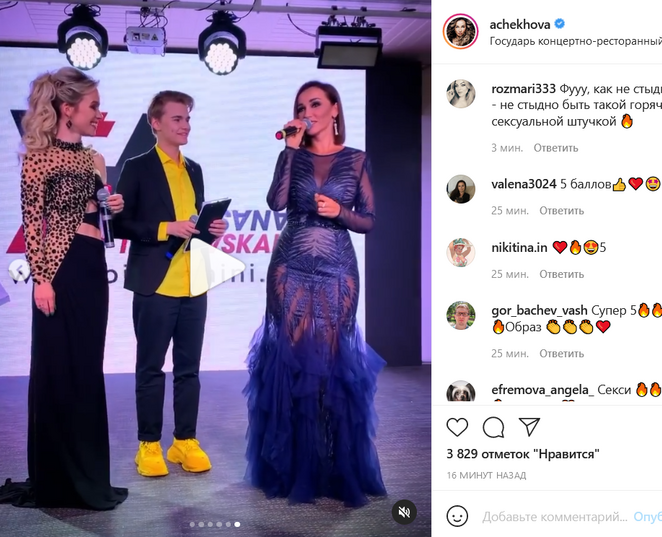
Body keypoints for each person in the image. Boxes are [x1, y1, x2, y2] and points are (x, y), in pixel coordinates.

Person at [243, 81, 387, 508]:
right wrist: (290, 150)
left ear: (335, 109)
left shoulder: (356, 159)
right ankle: (291, 467)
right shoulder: (292, 153)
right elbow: (276, 202)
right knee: (289, 362)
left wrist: (341, 212)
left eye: (316, 104)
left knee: (332, 365)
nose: (308, 112)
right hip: (290, 264)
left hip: (337, 267)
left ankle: (334, 468)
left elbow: (369, 220)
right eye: (301, 106)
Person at [0, 67, 128, 510]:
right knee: (58, 369)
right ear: (68, 109)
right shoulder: (38, 157)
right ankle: (57, 480)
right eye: (93, 106)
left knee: (87, 369)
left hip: (92, 265)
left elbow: (101, 218)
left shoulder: (95, 159)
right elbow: (32, 224)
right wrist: (41, 279)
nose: (99, 113)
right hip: (60, 268)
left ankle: (88, 475)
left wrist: (112, 205)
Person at [113, 91, 226, 478]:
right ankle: (148, 444)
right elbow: (120, 224)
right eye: (177, 119)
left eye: (188, 119)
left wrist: (211, 229)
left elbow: (194, 227)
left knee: (189, 369)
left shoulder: (194, 169)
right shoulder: (137, 167)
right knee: (150, 368)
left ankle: (184, 440)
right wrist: (166, 228)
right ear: (155, 123)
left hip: (194, 282)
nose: (185, 125)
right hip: (155, 283)